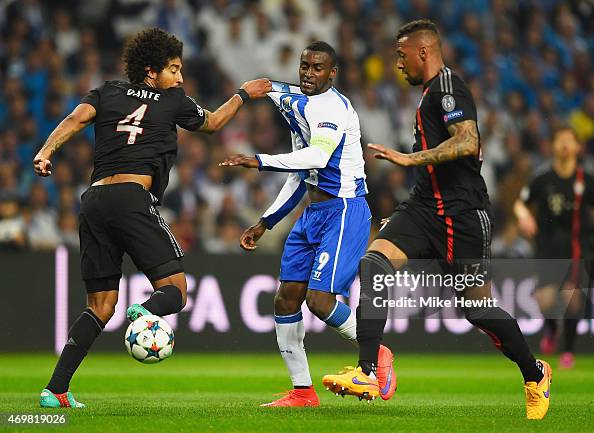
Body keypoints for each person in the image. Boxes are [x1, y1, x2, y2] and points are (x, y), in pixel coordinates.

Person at [321, 19, 552, 420]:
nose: (397, 63)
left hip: (462, 213)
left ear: (422, 52)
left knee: (477, 309)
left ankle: (535, 373)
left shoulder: (448, 87)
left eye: (401, 54)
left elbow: (468, 140)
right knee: (373, 265)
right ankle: (368, 371)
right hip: (425, 206)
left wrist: (411, 158)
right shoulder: (431, 91)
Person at [33, 27, 271, 408]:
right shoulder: (173, 100)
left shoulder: (107, 91)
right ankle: (144, 312)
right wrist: (243, 94)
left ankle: (55, 389)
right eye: (173, 69)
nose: (179, 77)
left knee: (100, 305)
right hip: (132, 197)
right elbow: (213, 123)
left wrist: (47, 150)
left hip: (94, 200)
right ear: (151, 71)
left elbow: (76, 119)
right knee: (175, 291)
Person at [219, 41, 394, 406]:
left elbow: (317, 155)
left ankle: (377, 354)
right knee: (286, 299)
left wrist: (260, 160)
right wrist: (266, 221)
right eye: (304, 66)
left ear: (333, 73)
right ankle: (303, 392)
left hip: (344, 211)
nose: (308, 74)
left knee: (319, 300)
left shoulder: (331, 108)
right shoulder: (303, 106)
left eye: (318, 68)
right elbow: (302, 172)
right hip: (311, 215)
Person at [514, 126, 594, 369]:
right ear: (553, 146)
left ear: (578, 147)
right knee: (545, 300)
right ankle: (551, 328)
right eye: (560, 140)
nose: (565, 145)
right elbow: (520, 204)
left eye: (570, 140)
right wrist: (524, 216)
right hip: (547, 245)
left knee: (573, 298)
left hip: (577, 245)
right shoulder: (542, 179)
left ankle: (568, 351)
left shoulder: (586, 179)